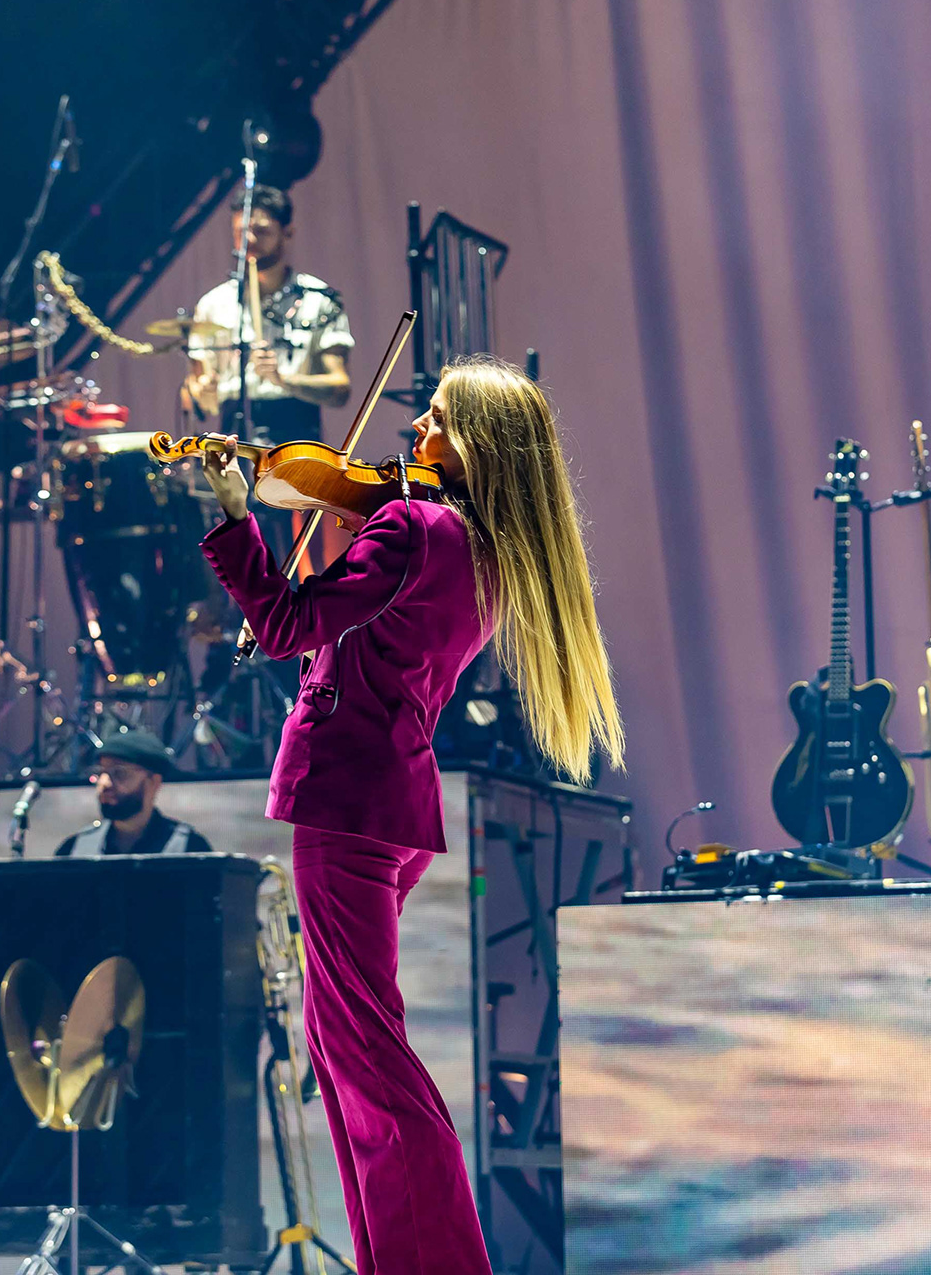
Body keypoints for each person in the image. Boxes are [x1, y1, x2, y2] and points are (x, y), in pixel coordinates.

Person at [195, 354, 624, 1273]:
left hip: (348, 801)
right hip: (390, 807)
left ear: (476, 445)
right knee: (345, 1052)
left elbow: (284, 626)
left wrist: (235, 519)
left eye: (435, 419)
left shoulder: (416, 526)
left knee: (369, 1063)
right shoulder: (486, 552)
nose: (415, 431)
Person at [184, 183, 353, 564]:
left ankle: (310, 595)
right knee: (247, 537)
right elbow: (197, 391)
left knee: (306, 540)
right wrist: (200, 390)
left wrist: (285, 379)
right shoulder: (214, 304)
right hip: (234, 424)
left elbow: (340, 389)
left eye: (260, 231)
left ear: (287, 232)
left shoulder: (318, 300)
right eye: (240, 231)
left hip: (295, 423)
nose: (249, 241)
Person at [54, 729, 214, 856]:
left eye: (120, 773)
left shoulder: (189, 849)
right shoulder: (76, 849)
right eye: (100, 772)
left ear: (154, 782)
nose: (104, 783)